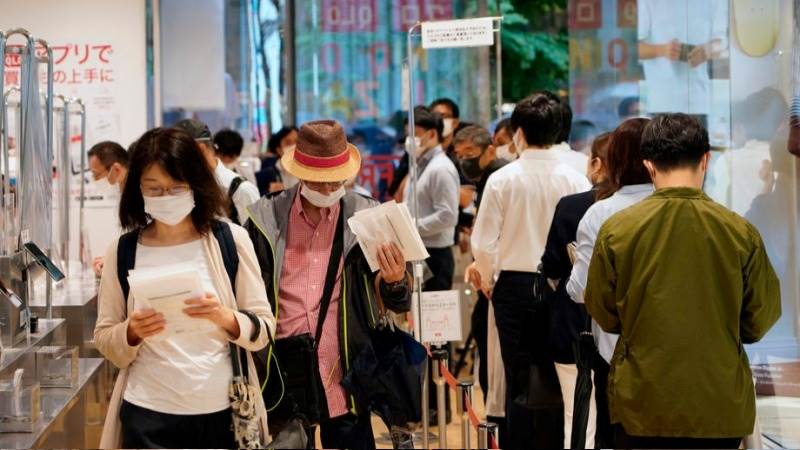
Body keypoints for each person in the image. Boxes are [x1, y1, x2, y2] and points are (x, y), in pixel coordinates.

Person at [584, 114, 781, 448]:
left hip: (642, 400)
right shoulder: (739, 231)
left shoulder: (617, 230)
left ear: (648, 165)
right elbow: (760, 318)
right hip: (719, 401)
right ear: (705, 159)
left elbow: (603, 313)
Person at [94, 127, 276, 449]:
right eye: (155, 189)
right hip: (147, 411)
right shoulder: (122, 250)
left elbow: (264, 327)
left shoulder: (230, 240)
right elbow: (105, 338)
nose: (166, 198)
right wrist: (132, 332)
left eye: (176, 187)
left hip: (221, 410)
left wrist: (224, 317)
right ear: (138, 190)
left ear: (196, 184)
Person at [244, 120, 410, 450]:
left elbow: (398, 300)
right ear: (300, 174)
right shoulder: (264, 219)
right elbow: (248, 291)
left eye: (335, 180)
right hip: (282, 366)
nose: (327, 188)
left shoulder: (368, 217)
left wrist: (394, 281)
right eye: (318, 182)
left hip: (345, 367)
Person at [469, 92, 592, 448]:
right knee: (560, 376)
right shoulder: (576, 179)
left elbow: (483, 242)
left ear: (518, 132)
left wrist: (490, 279)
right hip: (562, 288)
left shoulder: (503, 179)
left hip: (514, 287)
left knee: (518, 377)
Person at [566, 118, 653, 447]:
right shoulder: (682, 208)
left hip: (616, 349)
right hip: (675, 350)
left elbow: (581, 290)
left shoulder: (602, 213)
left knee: (615, 435)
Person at [539, 132, 611, 448]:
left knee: (578, 415)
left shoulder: (574, 206)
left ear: (597, 163)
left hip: (574, 322)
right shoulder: (647, 207)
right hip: (626, 328)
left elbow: (552, 265)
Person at [452, 124, 508, 442]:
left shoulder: (498, 178)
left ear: (489, 150)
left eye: (470, 155)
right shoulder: (487, 178)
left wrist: (483, 269)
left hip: (496, 276)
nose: (465, 162)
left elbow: (489, 236)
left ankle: (495, 418)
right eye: (460, 156)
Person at [403, 106, 460, 291]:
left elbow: (448, 216)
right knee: (417, 316)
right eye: (407, 134)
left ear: (432, 134)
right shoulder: (418, 164)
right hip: (418, 251)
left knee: (434, 317)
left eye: (415, 133)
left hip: (435, 255)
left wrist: (412, 227)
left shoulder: (441, 168)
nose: (410, 140)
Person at [174, 118, 260, 225]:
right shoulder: (179, 188)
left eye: (185, 154)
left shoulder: (241, 190)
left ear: (201, 149)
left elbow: (258, 239)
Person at [87, 141, 130, 276]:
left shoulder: (137, 199)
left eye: (96, 174)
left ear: (116, 169)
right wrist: (112, 259)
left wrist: (114, 262)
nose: (94, 180)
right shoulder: (122, 197)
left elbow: (142, 246)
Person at [256, 125, 299, 195]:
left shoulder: (309, 173)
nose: (294, 146)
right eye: (288, 143)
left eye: (297, 142)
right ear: (278, 149)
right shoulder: (266, 175)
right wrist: (269, 193)